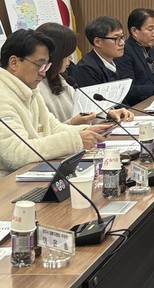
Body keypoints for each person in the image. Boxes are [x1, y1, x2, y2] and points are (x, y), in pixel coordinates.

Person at [0, 29, 111, 177]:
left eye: (46, 66)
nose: (43, 72)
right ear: (14, 62)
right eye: (39, 65)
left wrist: (87, 131)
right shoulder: (3, 96)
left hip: (30, 173)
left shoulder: (29, 89)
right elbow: (15, 153)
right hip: (8, 183)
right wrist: (76, 139)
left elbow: (53, 127)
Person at [36, 22, 133, 125]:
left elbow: (83, 111)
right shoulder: (37, 87)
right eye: (67, 54)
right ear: (54, 55)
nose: (71, 58)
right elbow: (45, 131)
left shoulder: (61, 79)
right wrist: (73, 123)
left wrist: (108, 114)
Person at [119, 8, 154, 105]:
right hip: (141, 105)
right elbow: (128, 89)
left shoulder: (153, 50)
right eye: (150, 29)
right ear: (134, 31)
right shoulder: (124, 52)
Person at [70, 16, 127, 88]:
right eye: (116, 38)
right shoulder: (86, 69)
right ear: (98, 42)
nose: (122, 43)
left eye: (122, 37)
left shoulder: (117, 60)